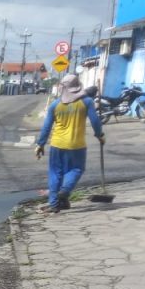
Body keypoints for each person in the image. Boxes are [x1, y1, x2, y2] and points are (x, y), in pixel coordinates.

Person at [35, 74, 105, 212]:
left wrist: (40, 144)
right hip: (76, 145)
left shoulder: (55, 105)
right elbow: (95, 121)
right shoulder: (87, 102)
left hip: (57, 145)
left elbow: (46, 127)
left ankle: (55, 204)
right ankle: (65, 191)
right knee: (76, 169)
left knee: (56, 173)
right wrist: (100, 135)